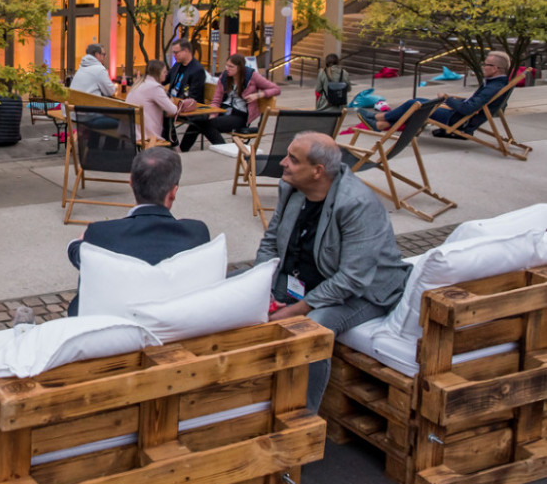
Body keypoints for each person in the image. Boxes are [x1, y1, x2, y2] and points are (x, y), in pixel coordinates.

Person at [257, 132, 410, 412]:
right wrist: (259, 289)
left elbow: (352, 278)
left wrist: (294, 310)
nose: (282, 163)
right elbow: (270, 243)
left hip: (363, 291)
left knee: (311, 329)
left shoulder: (357, 204)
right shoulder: (290, 188)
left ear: (317, 171)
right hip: (304, 279)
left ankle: (302, 420)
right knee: (233, 289)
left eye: (292, 159)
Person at [66, 147, 210, 316]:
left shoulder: (100, 234)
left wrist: (79, 242)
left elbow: (76, 253)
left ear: (131, 183)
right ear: (173, 192)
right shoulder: (197, 232)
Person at [361, 51, 512, 136]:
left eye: (486, 64)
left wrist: (447, 99)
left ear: (496, 68)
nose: (483, 66)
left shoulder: (493, 87)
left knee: (414, 105)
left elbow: (468, 109)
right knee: (417, 103)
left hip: (457, 119)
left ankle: (378, 118)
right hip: (459, 115)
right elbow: (474, 104)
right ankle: (381, 124)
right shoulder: (497, 83)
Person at [180, 53, 280, 151]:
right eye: (227, 65)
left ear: (240, 68)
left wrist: (258, 95)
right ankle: (182, 150)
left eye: (231, 66)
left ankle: (224, 148)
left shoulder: (252, 76)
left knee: (208, 125)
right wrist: (213, 113)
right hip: (223, 111)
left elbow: (276, 89)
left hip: (240, 116)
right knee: (197, 121)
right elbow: (216, 100)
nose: (227, 68)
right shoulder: (224, 77)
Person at [125, 59, 179, 143]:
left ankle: (173, 149)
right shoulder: (155, 87)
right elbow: (173, 110)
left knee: (166, 121)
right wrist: (171, 101)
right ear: (158, 73)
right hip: (146, 134)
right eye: (164, 72)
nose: (166, 74)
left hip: (130, 130)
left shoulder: (139, 83)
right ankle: (174, 150)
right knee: (167, 123)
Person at [165, 38, 206, 104]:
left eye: (176, 52)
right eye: (173, 52)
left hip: (184, 106)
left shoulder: (197, 70)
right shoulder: (177, 65)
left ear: (186, 51)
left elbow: (193, 96)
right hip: (171, 102)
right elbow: (165, 79)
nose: (174, 55)